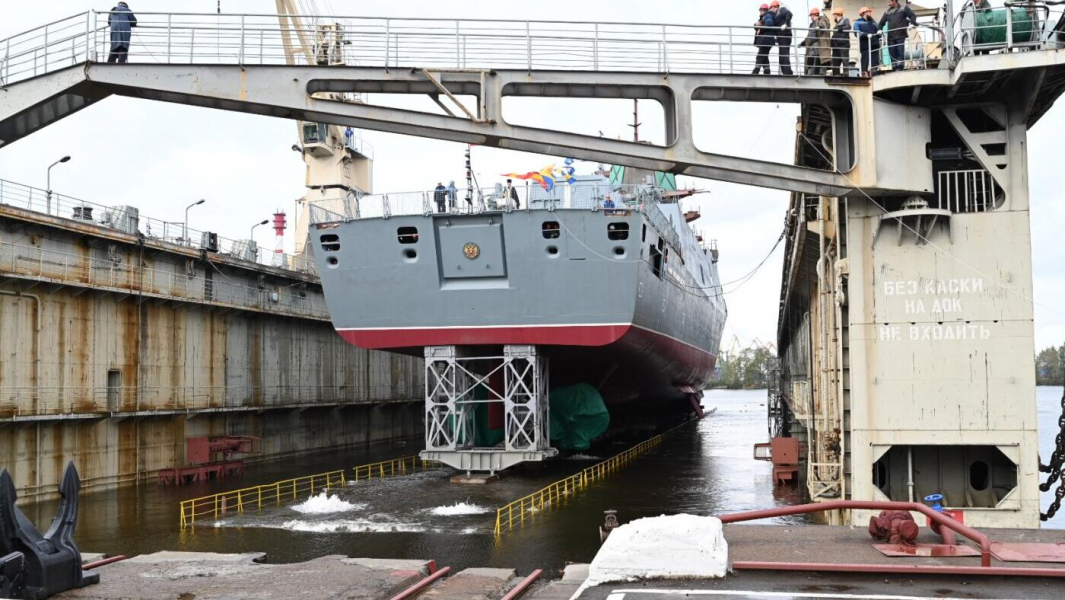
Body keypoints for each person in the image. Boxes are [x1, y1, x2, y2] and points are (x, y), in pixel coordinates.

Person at [878, 0, 918, 70]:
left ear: (894, 1)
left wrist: (912, 23)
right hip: (891, 37)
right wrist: (879, 29)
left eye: (889, 1)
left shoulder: (904, 9)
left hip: (900, 35)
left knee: (900, 52)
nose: (888, 3)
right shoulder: (887, 12)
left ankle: (900, 68)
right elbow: (881, 23)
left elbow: (912, 15)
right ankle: (894, 68)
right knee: (892, 53)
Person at [803, 8, 832, 76]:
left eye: (811, 16)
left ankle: (820, 72)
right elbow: (809, 35)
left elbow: (825, 26)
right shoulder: (812, 24)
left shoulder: (822, 20)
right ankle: (811, 73)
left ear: (814, 15)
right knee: (811, 59)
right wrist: (803, 42)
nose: (811, 18)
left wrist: (819, 27)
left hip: (818, 44)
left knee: (819, 58)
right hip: (811, 46)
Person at [854, 7, 881, 76]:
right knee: (865, 60)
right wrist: (866, 35)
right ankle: (864, 72)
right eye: (868, 12)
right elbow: (857, 32)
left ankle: (874, 72)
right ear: (864, 13)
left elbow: (878, 31)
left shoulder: (874, 22)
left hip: (874, 45)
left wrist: (880, 34)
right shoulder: (858, 22)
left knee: (875, 61)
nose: (870, 13)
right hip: (865, 45)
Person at [770, 2, 795, 76]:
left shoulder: (782, 10)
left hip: (785, 35)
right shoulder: (777, 15)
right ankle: (785, 72)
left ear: (774, 7)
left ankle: (788, 73)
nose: (771, 10)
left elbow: (789, 14)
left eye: (771, 8)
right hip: (781, 37)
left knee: (784, 55)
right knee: (781, 57)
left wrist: (786, 24)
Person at [753, 4, 776, 75]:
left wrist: (760, 28)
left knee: (760, 56)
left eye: (761, 10)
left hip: (766, 40)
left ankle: (755, 71)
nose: (760, 12)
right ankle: (767, 71)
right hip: (765, 40)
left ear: (764, 10)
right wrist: (757, 26)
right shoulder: (764, 17)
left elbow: (769, 24)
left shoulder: (767, 15)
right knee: (764, 56)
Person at [831, 7, 852, 76]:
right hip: (836, 46)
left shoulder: (845, 20)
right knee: (835, 62)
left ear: (837, 14)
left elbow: (849, 26)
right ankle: (836, 75)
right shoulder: (837, 24)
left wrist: (842, 29)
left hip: (843, 45)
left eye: (834, 15)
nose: (834, 17)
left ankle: (846, 75)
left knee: (845, 61)